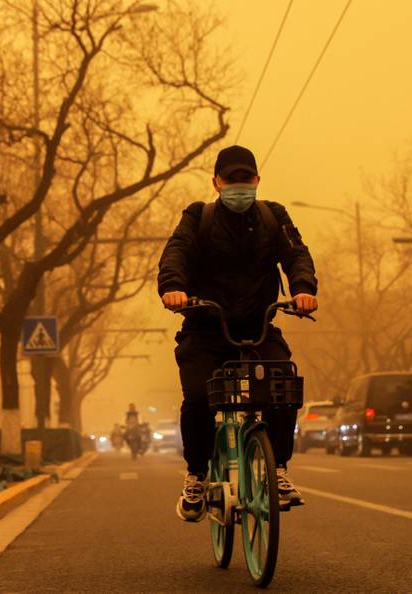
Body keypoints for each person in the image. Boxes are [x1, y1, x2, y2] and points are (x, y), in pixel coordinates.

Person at [157, 145, 318, 522]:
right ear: (217, 182)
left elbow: (297, 253)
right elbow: (175, 253)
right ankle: (196, 476)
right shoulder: (198, 217)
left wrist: (303, 288)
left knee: (284, 386)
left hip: (259, 329)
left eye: (246, 179)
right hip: (205, 330)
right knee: (199, 397)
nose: (239, 186)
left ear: (257, 180)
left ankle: (278, 471)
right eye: (232, 180)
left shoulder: (273, 216)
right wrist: (172, 287)